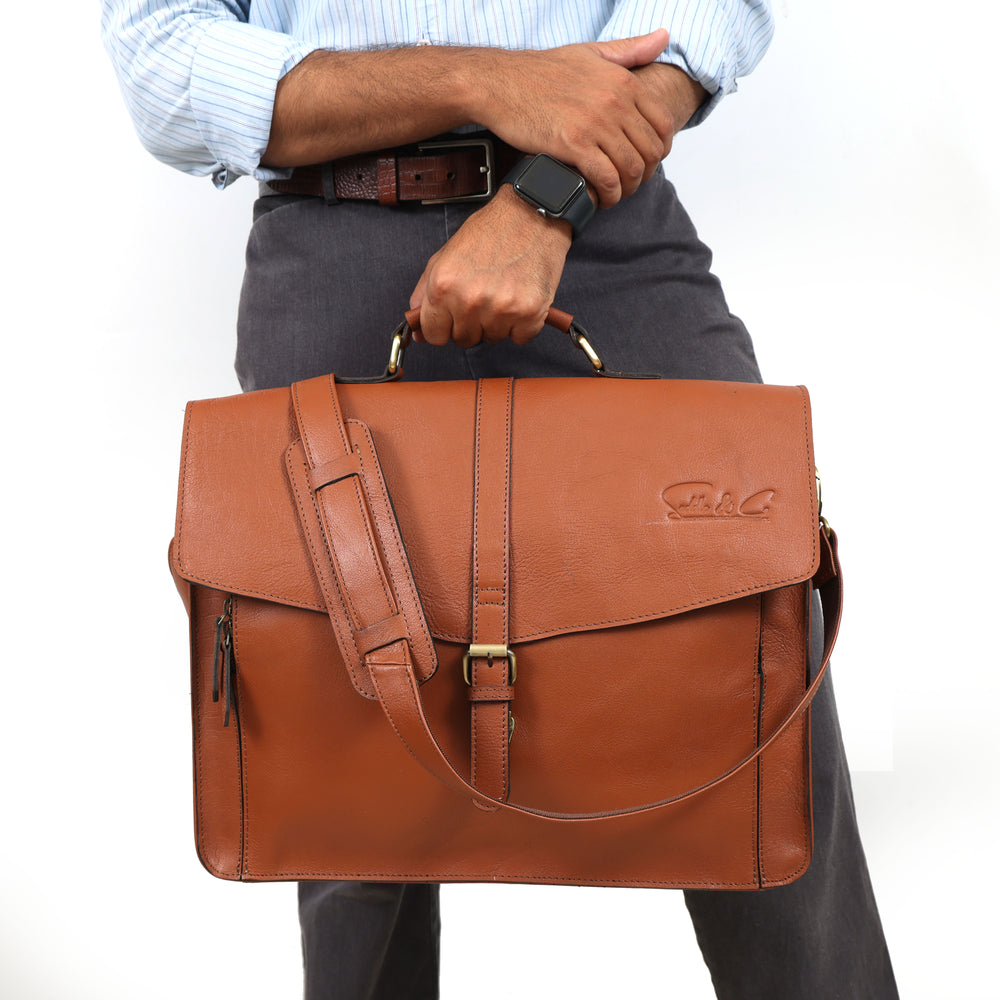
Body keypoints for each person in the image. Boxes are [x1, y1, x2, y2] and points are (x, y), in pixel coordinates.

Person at [102, 3, 898, 997]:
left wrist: (548, 196)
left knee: (755, 673)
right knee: (337, 756)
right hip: (330, 242)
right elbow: (161, 59)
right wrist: (486, 80)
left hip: (607, 216)